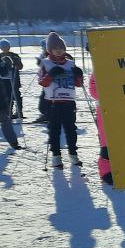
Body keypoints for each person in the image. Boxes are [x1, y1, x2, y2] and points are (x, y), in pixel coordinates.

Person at [37, 32, 83, 168]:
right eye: (55, 48)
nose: (59, 50)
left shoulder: (70, 63)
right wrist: (51, 75)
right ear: (49, 50)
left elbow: (78, 84)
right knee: (54, 130)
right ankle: (56, 156)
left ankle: (73, 155)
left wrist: (78, 75)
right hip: (53, 102)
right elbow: (42, 83)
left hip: (69, 102)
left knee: (71, 130)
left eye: (61, 47)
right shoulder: (45, 63)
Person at [0, 41, 23, 119]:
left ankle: (19, 111)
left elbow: (20, 67)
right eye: (3, 47)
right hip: (4, 80)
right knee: (6, 96)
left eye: (6, 46)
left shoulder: (14, 55)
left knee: (16, 95)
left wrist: (17, 63)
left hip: (14, 79)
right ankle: (8, 111)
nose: (5, 48)